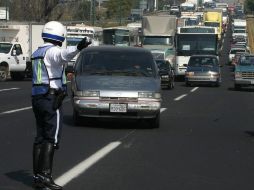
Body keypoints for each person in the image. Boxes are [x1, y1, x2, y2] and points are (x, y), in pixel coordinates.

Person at [31, 21, 91, 190]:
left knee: (40, 138)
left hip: (37, 98)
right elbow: (63, 55)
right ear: (59, 36)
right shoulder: (53, 51)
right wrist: (79, 47)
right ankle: (45, 176)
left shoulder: (37, 52)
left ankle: (37, 177)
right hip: (51, 99)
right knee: (51, 138)